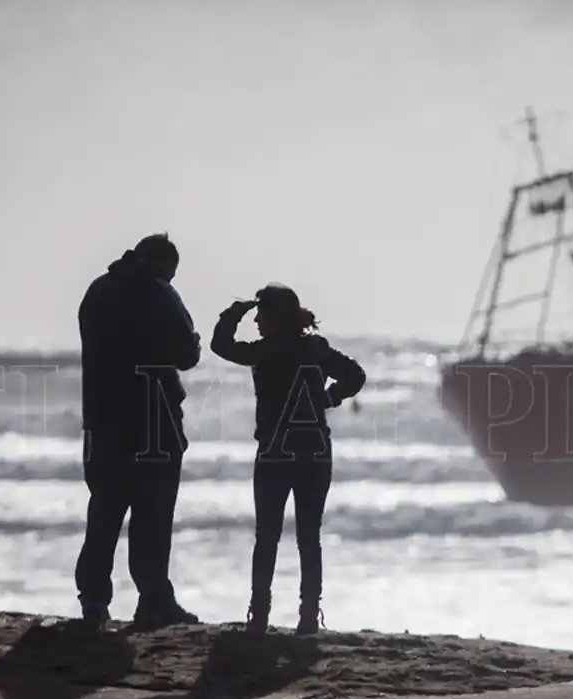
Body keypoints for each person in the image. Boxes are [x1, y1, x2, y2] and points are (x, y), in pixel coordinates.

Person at [210, 283, 366, 635]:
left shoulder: (264, 352)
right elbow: (356, 375)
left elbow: (220, 345)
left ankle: (260, 616)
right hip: (315, 452)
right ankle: (309, 616)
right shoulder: (316, 348)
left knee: (267, 536)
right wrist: (329, 400)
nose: (257, 321)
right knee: (309, 537)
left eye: (260, 313)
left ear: (273, 316)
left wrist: (234, 312)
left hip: (274, 454)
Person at [76, 233, 202, 630]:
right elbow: (187, 354)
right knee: (153, 515)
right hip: (154, 421)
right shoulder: (161, 294)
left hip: (102, 420)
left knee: (104, 512)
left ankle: (94, 600)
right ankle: (153, 599)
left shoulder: (97, 291)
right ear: (165, 266)